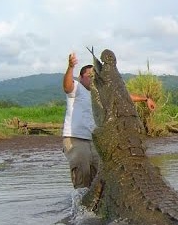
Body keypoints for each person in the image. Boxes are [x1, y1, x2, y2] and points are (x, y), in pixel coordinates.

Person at [62, 52, 154, 189]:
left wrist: (145, 99)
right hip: (76, 138)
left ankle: (91, 209)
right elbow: (67, 86)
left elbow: (123, 96)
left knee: (98, 178)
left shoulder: (98, 91)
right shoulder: (77, 88)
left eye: (95, 76)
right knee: (82, 174)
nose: (93, 79)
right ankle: (78, 208)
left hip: (96, 140)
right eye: (89, 76)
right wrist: (70, 67)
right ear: (80, 78)